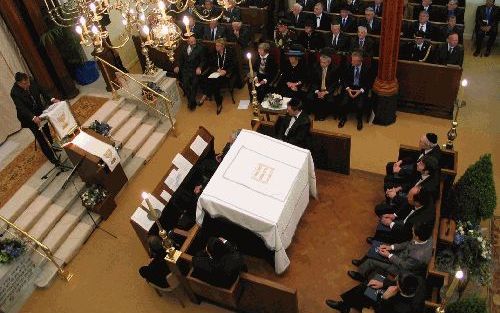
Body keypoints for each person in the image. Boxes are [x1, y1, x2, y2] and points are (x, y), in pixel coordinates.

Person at [348, 222, 434, 282]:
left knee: (371, 261)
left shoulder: (417, 257)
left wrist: (389, 255)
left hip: (400, 269)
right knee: (377, 247)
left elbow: (404, 266)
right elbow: (407, 244)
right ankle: (362, 263)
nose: (411, 232)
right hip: (402, 256)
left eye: (413, 231)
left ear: (417, 236)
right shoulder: (426, 237)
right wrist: (391, 247)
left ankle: (360, 275)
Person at [10, 72, 60, 164]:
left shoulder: (31, 81)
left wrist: (52, 99)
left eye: (28, 82)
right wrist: (33, 117)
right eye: (25, 84)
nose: (28, 84)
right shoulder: (14, 92)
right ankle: (52, 159)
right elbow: (21, 108)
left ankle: (53, 146)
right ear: (18, 83)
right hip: (28, 117)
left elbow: (42, 91)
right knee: (40, 137)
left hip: (39, 111)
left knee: (47, 131)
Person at [325, 273, 426, 313]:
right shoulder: (419, 280)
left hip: (386, 305)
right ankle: (347, 306)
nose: (395, 278)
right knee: (366, 286)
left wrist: (385, 298)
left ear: (399, 287)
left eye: (397, 281)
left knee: (364, 290)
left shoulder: (401, 309)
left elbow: (379, 311)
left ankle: (344, 308)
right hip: (393, 298)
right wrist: (383, 284)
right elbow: (400, 282)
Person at [338, 51, 373, 130]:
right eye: (352, 60)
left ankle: (359, 120)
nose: (351, 62)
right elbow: (344, 79)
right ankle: (343, 118)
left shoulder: (367, 69)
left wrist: (360, 91)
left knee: (360, 105)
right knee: (344, 102)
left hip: (360, 89)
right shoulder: (348, 66)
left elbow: (368, 83)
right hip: (350, 88)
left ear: (360, 61)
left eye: (354, 61)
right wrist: (348, 89)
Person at [202, 38, 235, 115]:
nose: (216, 47)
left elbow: (233, 65)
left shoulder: (229, 53)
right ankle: (218, 101)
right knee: (210, 80)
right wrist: (216, 69)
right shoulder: (213, 52)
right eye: (216, 45)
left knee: (214, 83)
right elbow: (210, 64)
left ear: (222, 46)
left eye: (218, 46)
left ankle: (208, 95)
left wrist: (225, 71)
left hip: (225, 74)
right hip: (216, 72)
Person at [174, 36, 206, 110]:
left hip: (195, 70)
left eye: (194, 41)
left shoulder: (200, 49)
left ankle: (191, 103)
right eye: (192, 42)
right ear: (188, 42)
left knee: (194, 84)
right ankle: (192, 100)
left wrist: (199, 67)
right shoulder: (184, 48)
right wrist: (178, 66)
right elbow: (180, 59)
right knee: (186, 85)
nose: (194, 43)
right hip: (185, 70)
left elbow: (203, 60)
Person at [307, 51, 339, 121]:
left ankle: (323, 115)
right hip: (317, 88)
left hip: (328, 90)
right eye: (321, 62)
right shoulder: (315, 66)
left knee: (328, 99)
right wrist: (317, 91)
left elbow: (334, 83)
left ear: (329, 62)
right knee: (311, 97)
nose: (322, 64)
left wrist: (326, 92)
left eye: (324, 63)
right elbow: (313, 81)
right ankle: (317, 114)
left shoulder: (334, 69)